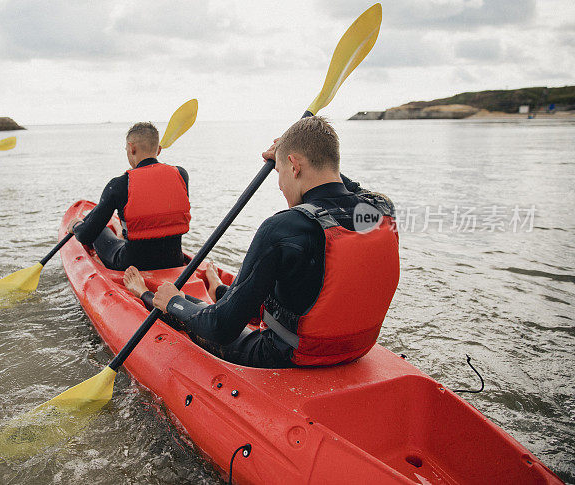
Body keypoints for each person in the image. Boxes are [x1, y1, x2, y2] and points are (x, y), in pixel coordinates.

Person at [123, 116, 400, 368]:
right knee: (265, 290)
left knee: (187, 304)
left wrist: (174, 302)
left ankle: (144, 293)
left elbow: (221, 328)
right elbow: (343, 185)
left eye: (279, 170)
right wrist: (295, 151)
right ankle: (219, 288)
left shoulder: (282, 228)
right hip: (356, 350)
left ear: (294, 166)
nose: (279, 185)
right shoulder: (380, 209)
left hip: (286, 356)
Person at [66, 122, 190, 271]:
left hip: (132, 265)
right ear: (159, 150)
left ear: (132, 148)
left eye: (126, 149)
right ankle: (121, 232)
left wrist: (76, 226)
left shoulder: (118, 184)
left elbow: (86, 236)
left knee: (101, 231)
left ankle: (111, 232)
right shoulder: (181, 175)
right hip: (174, 261)